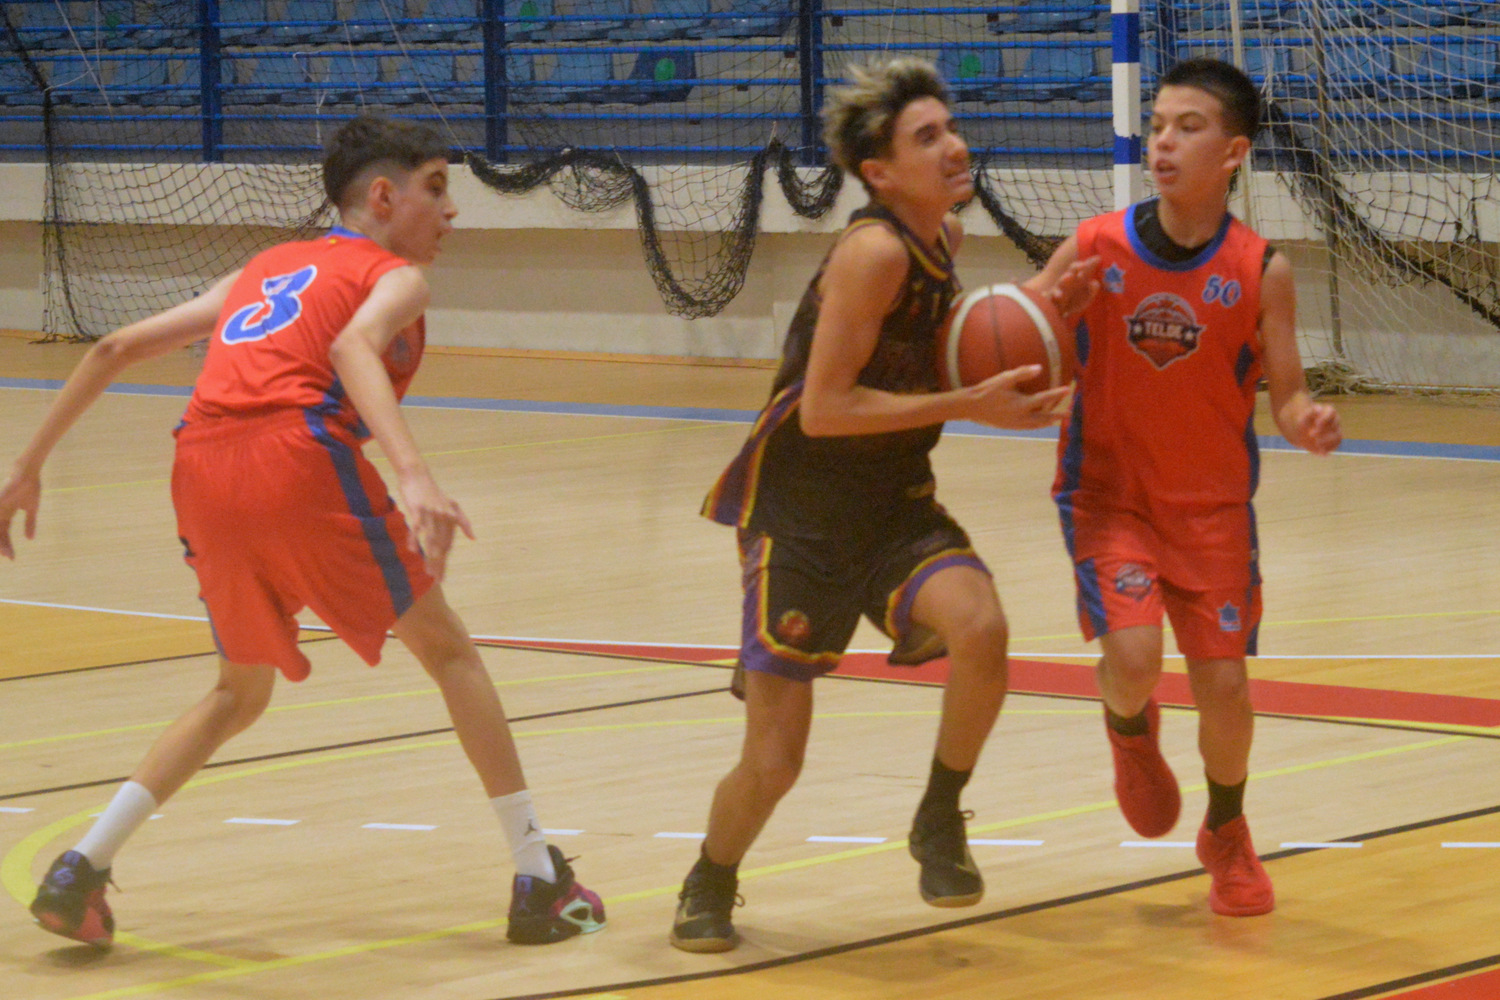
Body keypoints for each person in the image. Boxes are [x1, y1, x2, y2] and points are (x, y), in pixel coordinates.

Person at [0, 116, 605, 949]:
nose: (451, 210)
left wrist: (26, 464)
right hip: (294, 456)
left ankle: (80, 869)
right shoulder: (395, 277)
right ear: (383, 196)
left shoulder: (265, 267)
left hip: (200, 464)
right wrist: (414, 474)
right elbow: (354, 346)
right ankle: (538, 876)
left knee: (236, 692)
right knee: (450, 653)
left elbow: (113, 348)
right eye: (435, 187)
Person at [669, 58, 1099, 953]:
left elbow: (948, 347)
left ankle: (938, 817)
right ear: (880, 172)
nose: (954, 146)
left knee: (981, 627)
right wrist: (969, 405)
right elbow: (824, 410)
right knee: (775, 763)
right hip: (802, 517)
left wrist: (1044, 311)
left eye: (952, 127)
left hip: (894, 503)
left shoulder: (942, 241)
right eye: (927, 137)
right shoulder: (874, 252)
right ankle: (711, 876)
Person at [1026, 58, 1342, 917]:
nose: (1163, 141)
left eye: (1188, 127)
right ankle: (1129, 729)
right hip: (1110, 497)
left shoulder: (1261, 268)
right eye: (1159, 124)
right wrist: (1044, 319)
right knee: (1133, 663)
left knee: (1226, 689)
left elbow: (1287, 394)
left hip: (1211, 511)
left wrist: (1307, 421)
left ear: (1233, 152)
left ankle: (1227, 831)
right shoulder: (1095, 245)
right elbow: (1020, 322)